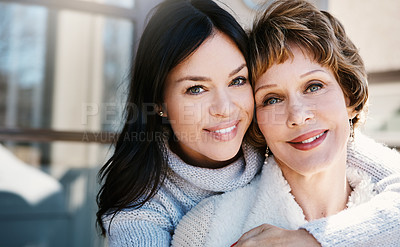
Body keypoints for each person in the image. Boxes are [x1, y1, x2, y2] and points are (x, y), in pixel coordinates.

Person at [96, 0, 400, 246]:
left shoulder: (281, 137)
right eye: (196, 89)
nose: (225, 109)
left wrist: (312, 240)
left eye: (238, 80)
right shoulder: (142, 212)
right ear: (159, 104)